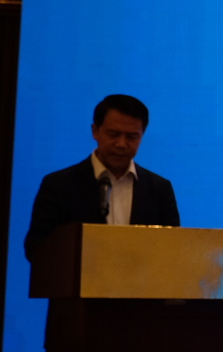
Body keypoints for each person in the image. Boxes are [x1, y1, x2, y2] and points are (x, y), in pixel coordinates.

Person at [23, 93, 180, 263]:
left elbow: (174, 249)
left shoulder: (159, 189)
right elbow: (36, 248)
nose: (121, 144)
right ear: (95, 131)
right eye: (113, 134)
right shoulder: (59, 185)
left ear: (142, 136)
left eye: (131, 137)